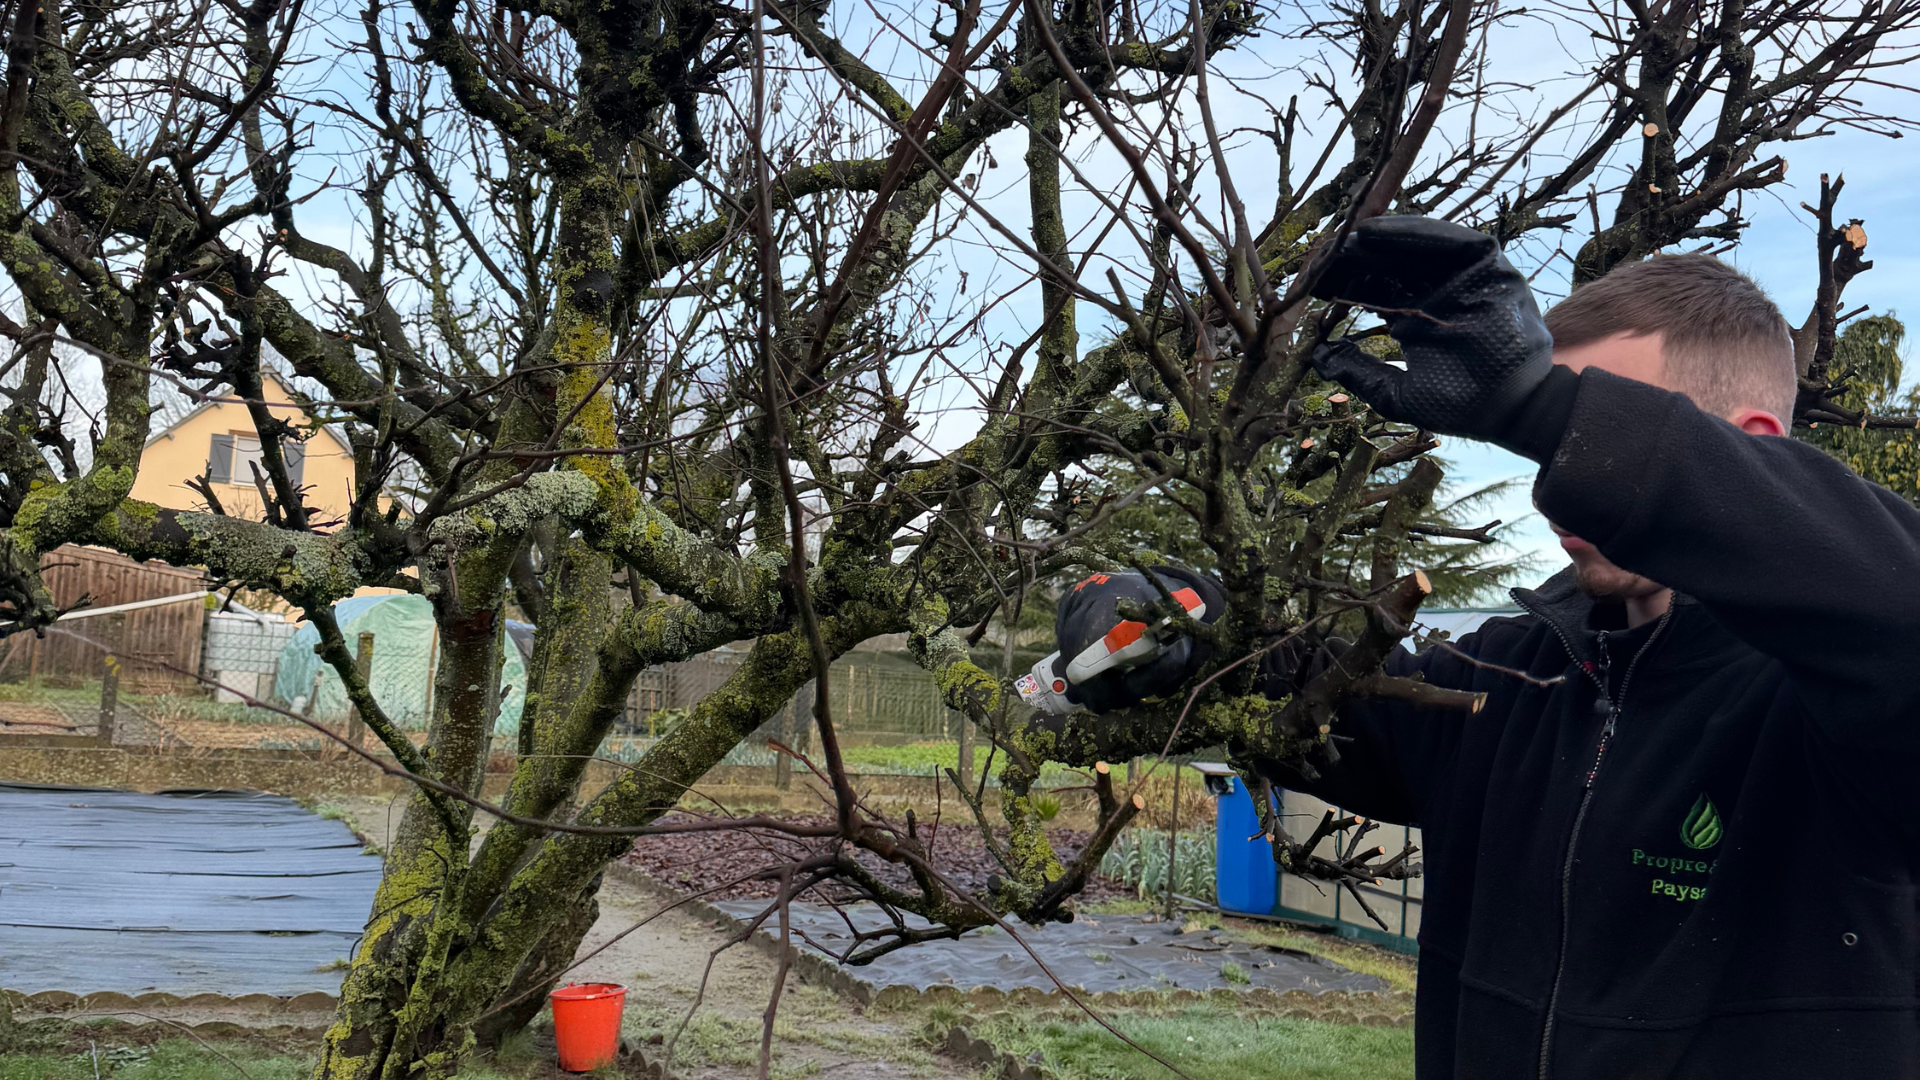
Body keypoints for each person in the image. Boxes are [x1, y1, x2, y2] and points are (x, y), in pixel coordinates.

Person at [1052, 218, 1920, 1079]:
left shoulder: (1842, 706)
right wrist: (1186, 618)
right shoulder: (1517, 672)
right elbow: (1329, 693)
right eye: (1546, 452)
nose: (1560, 496)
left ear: (1749, 454)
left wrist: (1544, 406)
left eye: (1585, 452)